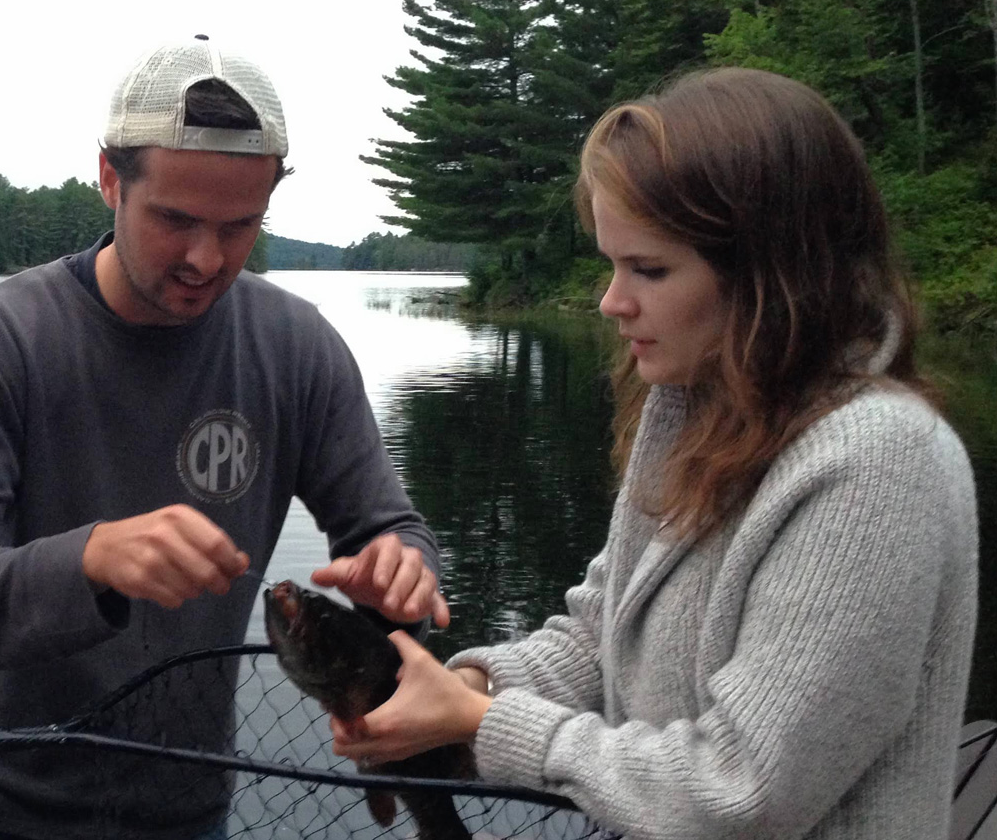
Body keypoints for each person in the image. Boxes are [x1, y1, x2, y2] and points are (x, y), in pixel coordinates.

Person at [327, 67, 980, 840]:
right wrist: (464, 684)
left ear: (773, 274)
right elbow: (602, 637)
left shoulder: (877, 465)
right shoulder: (694, 410)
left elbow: (741, 791)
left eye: (649, 269)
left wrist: (490, 722)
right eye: (611, 263)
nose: (611, 301)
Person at [0, 35, 452, 840]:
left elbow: (390, 528)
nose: (205, 257)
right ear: (109, 180)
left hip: (188, 811)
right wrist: (92, 559)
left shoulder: (295, 346)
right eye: (175, 220)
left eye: (239, 227)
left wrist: (406, 569)